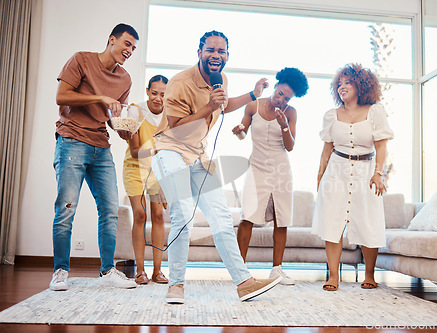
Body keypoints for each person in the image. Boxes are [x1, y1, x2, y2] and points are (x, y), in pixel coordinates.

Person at [151, 30, 282, 304]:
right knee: (184, 213)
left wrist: (252, 95)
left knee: (221, 217)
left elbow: (222, 107)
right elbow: (175, 128)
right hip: (170, 151)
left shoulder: (220, 78)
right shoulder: (179, 83)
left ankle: (244, 282)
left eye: (221, 51)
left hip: (198, 156)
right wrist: (208, 105)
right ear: (199, 52)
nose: (216, 56)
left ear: (227, 56)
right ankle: (175, 285)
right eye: (210, 50)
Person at [50, 23, 139, 291]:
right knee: (66, 208)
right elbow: (61, 96)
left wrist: (121, 130)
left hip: (101, 145)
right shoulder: (81, 60)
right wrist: (100, 96)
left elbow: (112, 118)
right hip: (71, 140)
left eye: (133, 48)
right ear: (112, 40)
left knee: (110, 210)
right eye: (126, 44)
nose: (129, 51)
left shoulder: (125, 79)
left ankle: (108, 270)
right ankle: (60, 271)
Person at [311, 63, 394, 291]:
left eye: (348, 82)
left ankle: (369, 274)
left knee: (368, 221)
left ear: (361, 85)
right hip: (336, 171)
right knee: (332, 222)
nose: (342, 87)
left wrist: (378, 173)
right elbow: (326, 150)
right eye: (340, 83)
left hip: (366, 171)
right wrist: (320, 179)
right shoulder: (331, 115)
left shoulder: (375, 111)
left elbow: (381, 146)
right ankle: (334, 276)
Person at [233, 67, 309, 285]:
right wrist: (239, 131)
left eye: (287, 98)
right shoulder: (253, 106)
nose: (282, 99)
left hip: (280, 170)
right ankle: (239, 270)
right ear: (275, 87)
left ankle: (277, 270)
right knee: (247, 216)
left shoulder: (291, 113)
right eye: (280, 93)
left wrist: (284, 125)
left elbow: (290, 147)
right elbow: (243, 132)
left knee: (281, 219)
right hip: (256, 168)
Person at [122, 75, 169, 285]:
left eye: (163, 94)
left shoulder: (170, 115)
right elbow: (134, 152)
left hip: (158, 171)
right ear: (147, 91)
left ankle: (157, 271)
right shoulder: (136, 111)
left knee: (158, 216)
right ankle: (140, 271)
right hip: (135, 168)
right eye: (155, 93)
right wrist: (158, 146)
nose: (158, 98)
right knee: (140, 214)